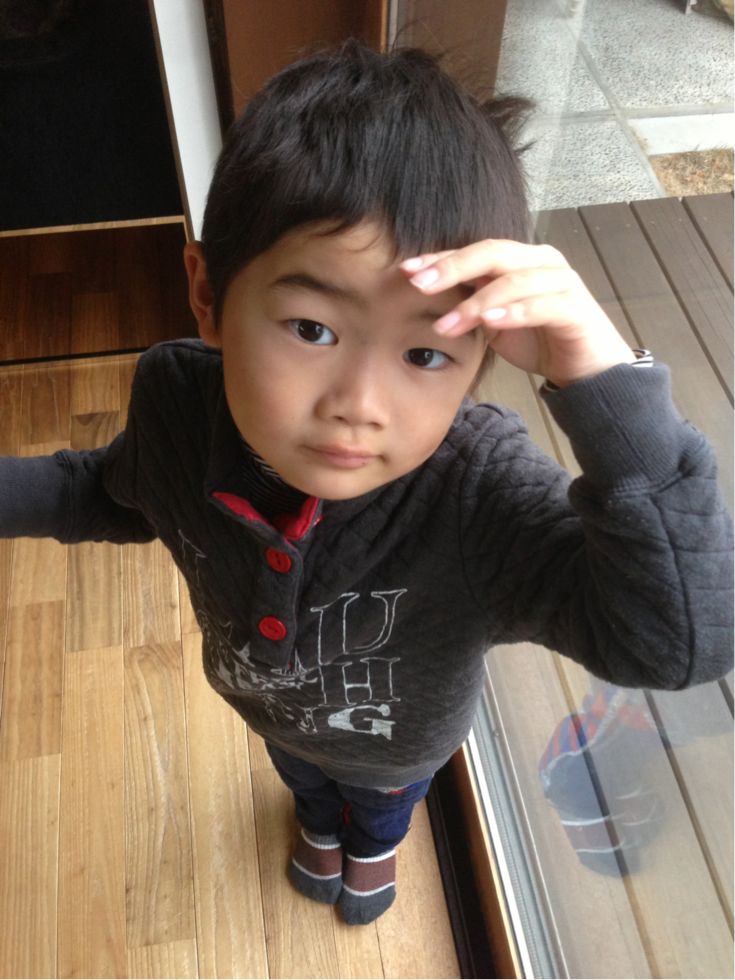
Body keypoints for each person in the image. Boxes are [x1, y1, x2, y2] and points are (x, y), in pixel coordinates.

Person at [0, 41, 732, 927]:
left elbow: (676, 642)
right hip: (264, 712)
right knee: (303, 784)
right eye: (312, 328)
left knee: (379, 810)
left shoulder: (478, 495)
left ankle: (374, 849)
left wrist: (605, 388)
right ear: (208, 295)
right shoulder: (178, 404)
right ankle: (317, 826)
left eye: (425, 353)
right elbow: (111, 491)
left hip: (397, 754)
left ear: (478, 360)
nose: (359, 404)